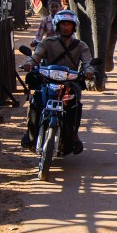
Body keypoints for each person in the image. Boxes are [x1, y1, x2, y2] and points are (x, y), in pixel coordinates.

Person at [20, 10, 94, 155]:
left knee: (76, 105)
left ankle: (74, 135)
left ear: (74, 27)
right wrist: (29, 63)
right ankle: (30, 133)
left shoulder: (81, 46)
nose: (66, 27)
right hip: (47, 80)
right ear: (57, 26)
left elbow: (87, 62)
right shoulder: (47, 42)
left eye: (69, 25)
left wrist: (89, 70)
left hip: (69, 83)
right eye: (63, 24)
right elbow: (35, 57)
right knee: (35, 101)